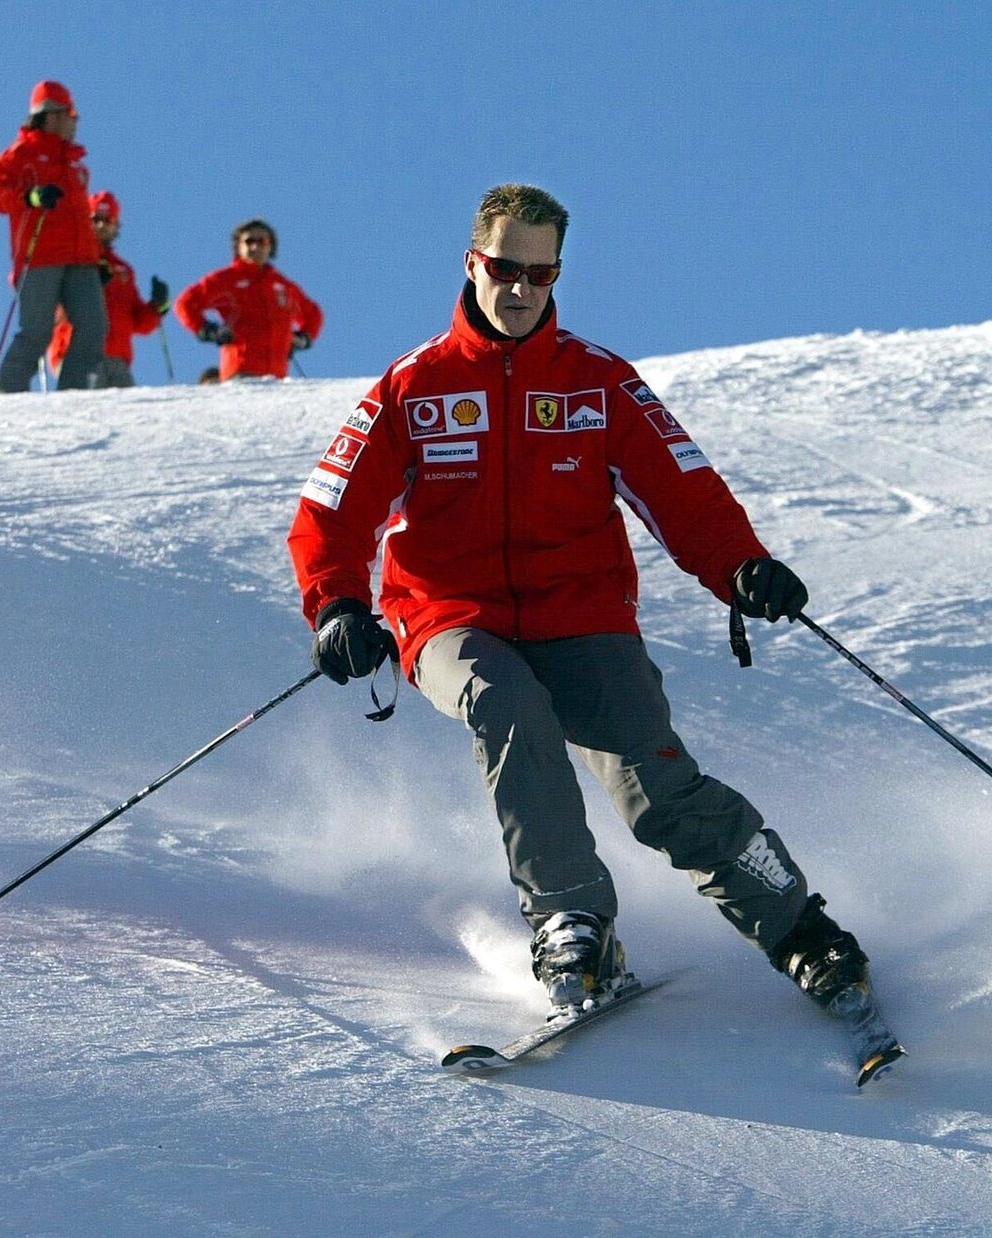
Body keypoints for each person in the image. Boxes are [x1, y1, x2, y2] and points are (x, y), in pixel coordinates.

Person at [286, 184, 898, 1066]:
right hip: (451, 617)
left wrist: (741, 565)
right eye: (505, 269)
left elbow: (683, 491)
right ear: (473, 264)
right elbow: (331, 512)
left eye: (541, 273)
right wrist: (340, 605)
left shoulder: (597, 382)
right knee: (506, 704)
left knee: (657, 787)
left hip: (583, 617)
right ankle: (574, 922)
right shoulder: (414, 389)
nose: (522, 289)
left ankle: (802, 931)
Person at [0, 80, 107, 392]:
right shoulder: (20, 156)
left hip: (81, 259)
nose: (75, 121)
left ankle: (74, 392)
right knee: (37, 333)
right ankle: (5, 391)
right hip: (40, 257)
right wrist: (31, 198)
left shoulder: (74, 162)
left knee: (94, 326)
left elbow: (81, 216)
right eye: (72, 114)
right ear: (52, 115)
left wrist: (98, 258)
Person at [173, 218, 322, 380]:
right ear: (238, 246)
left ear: (270, 246)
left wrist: (303, 339)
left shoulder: (284, 286)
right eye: (249, 241)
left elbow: (313, 313)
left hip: (278, 377)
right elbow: (185, 303)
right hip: (240, 373)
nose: (255, 246)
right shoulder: (226, 280)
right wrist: (208, 330)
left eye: (262, 241)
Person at [49, 191, 168, 388]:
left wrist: (158, 306)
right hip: (78, 354)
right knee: (87, 412)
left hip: (117, 359)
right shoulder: (69, 258)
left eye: (108, 219)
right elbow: (52, 308)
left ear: (116, 224)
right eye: (96, 218)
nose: (102, 225)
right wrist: (91, 288)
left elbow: (139, 322)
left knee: (131, 416)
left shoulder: (123, 270)